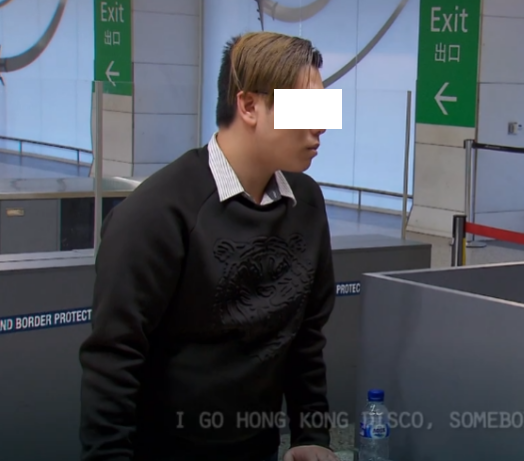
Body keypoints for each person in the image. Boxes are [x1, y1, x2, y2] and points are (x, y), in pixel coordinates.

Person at [79, 31, 339, 461]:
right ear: (249, 105)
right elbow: (113, 360)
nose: (321, 125)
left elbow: (305, 336)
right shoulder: (156, 214)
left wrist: (310, 434)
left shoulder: (306, 202)